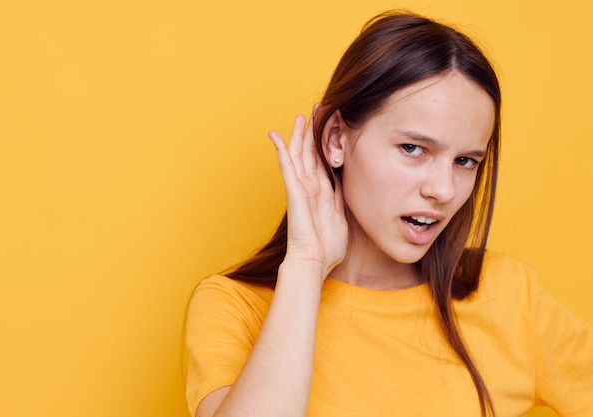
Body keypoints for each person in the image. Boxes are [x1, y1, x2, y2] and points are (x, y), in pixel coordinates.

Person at [184, 10, 593, 417]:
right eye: (413, 149)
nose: (444, 190)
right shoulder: (235, 306)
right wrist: (307, 264)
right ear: (336, 139)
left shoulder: (509, 294)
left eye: (466, 161)